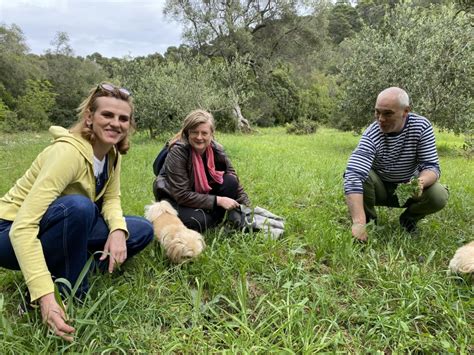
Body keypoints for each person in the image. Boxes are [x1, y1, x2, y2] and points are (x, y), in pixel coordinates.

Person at [0, 83, 154, 341]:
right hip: (9, 232)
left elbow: (112, 199)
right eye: (107, 115)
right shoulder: (67, 153)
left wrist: (117, 230)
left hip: (60, 224)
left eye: (123, 118)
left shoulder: (112, 154)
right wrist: (46, 297)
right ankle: (60, 290)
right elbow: (23, 228)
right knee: (80, 207)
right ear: (89, 117)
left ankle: (66, 266)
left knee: (140, 230)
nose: (115, 123)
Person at [343, 87, 448, 241]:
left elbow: (431, 167)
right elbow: (353, 174)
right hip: (379, 189)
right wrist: (358, 223)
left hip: (408, 188)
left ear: (405, 111)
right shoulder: (372, 134)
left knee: (438, 195)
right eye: (377, 112)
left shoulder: (421, 127)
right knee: (361, 175)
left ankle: (408, 220)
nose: (380, 119)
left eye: (387, 113)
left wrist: (420, 182)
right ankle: (369, 224)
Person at [153, 109, 250, 232]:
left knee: (230, 181)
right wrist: (219, 200)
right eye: (195, 132)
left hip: (199, 195)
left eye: (204, 133)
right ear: (188, 133)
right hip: (175, 198)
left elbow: (233, 178)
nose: (199, 137)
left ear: (211, 134)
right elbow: (181, 195)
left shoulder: (217, 150)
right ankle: (206, 219)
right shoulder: (178, 152)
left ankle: (213, 219)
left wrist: (247, 208)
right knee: (199, 222)